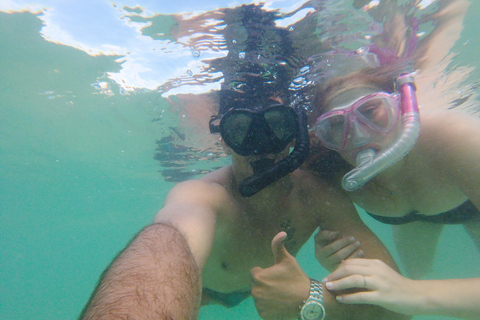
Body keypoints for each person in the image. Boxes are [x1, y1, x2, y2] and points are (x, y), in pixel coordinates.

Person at [78, 65, 412, 320]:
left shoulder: (318, 196)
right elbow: (171, 238)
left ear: (296, 132)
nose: (260, 144)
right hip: (206, 292)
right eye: (240, 129)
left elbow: (399, 306)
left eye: (277, 125)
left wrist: (313, 297)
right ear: (223, 137)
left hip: (266, 290)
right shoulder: (204, 196)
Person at [305, 51, 480, 319]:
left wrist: (412, 294)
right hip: (411, 221)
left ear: (401, 106)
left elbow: (406, 295)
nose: (359, 135)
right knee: (416, 277)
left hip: (472, 210)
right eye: (336, 125)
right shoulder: (330, 170)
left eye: (370, 111)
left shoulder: (456, 138)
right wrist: (335, 253)